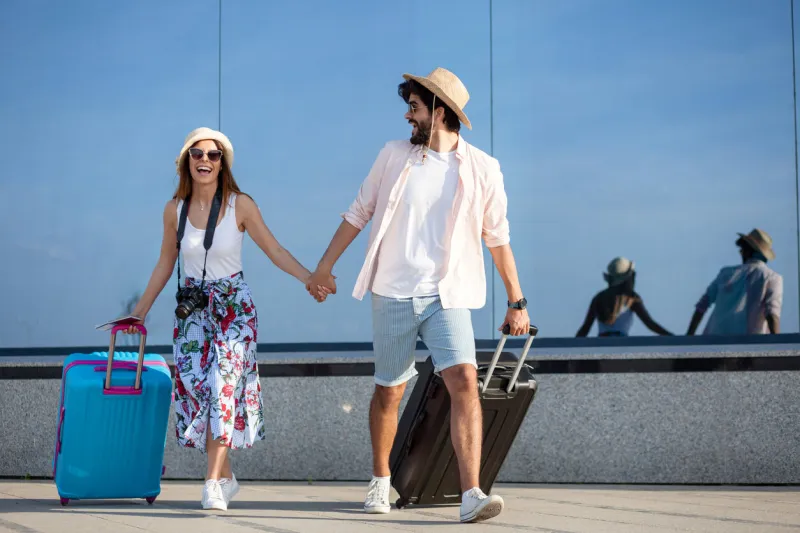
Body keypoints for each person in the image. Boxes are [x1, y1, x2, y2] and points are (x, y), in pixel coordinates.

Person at [304, 67, 529, 524]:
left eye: (415, 108)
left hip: (447, 295)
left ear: (439, 112)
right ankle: (380, 480)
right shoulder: (393, 156)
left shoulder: (483, 168)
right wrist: (325, 265)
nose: (408, 116)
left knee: (465, 381)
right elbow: (358, 212)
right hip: (392, 291)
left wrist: (516, 301)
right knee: (391, 390)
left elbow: (497, 236)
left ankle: (471, 493)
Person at [123, 127, 322, 511]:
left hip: (233, 308)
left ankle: (212, 483)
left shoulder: (239, 205)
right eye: (197, 154)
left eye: (213, 155)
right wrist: (140, 310)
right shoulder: (174, 210)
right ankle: (227, 477)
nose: (204, 160)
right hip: (193, 312)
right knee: (197, 393)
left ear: (222, 163)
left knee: (222, 386)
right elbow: (166, 262)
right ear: (186, 161)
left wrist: (309, 278)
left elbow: (274, 249)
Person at [687, 228, 782, 335]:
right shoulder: (772, 277)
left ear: (746, 251)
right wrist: (778, 343)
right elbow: (772, 313)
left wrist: (689, 336)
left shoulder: (725, 273)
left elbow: (701, 306)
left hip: (713, 341)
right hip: (749, 345)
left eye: (741, 249)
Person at [576, 257, 672, 337]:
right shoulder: (632, 298)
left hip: (600, 344)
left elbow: (585, 328)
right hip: (622, 344)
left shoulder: (598, 298)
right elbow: (650, 324)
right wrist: (673, 338)